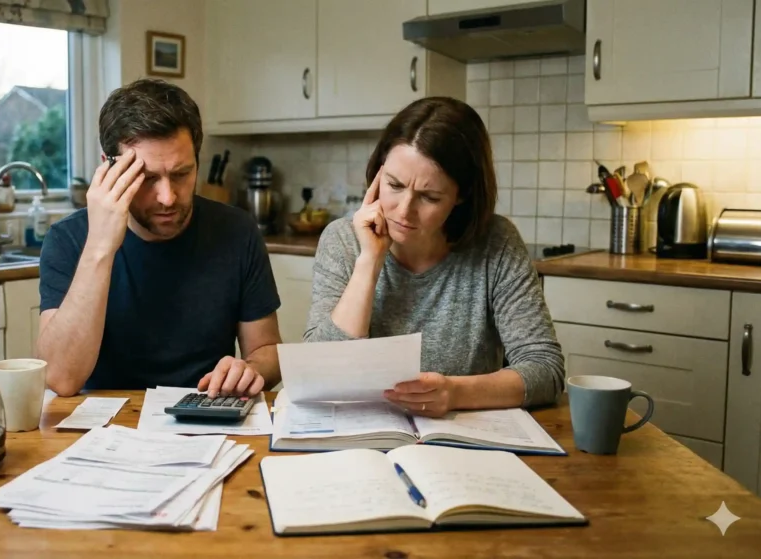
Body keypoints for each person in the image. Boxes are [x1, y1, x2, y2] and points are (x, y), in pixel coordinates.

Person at [303, 96, 565, 418]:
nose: (404, 211)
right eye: (394, 185)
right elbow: (318, 372)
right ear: (377, 173)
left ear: (461, 195)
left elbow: (546, 370)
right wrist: (369, 262)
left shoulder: (496, 243)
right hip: (361, 440)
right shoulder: (342, 240)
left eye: (429, 196)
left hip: (461, 441)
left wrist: (454, 393)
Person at [37, 78, 282, 398]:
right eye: (148, 178)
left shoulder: (237, 231)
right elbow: (60, 378)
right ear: (109, 168)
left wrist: (250, 370)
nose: (167, 197)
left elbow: (267, 350)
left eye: (181, 174)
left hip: (202, 414)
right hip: (99, 429)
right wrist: (100, 246)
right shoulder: (68, 239)